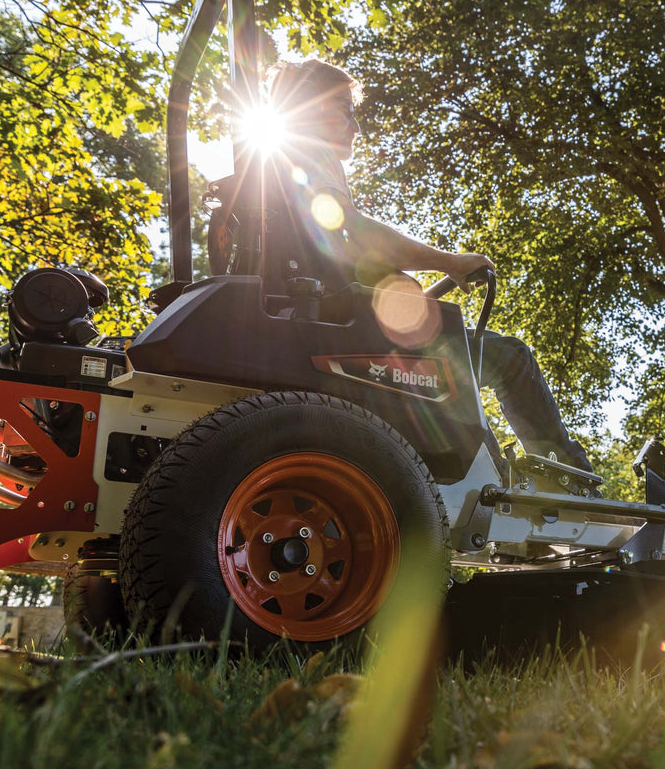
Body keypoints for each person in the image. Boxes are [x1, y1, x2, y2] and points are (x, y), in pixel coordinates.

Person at [248, 57, 594, 475]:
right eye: (346, 110)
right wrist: (450, 261)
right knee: (510, 359)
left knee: (477, 431)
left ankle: (494, 483)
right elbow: (356, 231)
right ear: (308, 107)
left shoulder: (272, 173)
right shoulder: (308, 152)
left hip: (330, 328)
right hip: (339, 341)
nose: (356, 127)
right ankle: (566, 482)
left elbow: (346, 275)